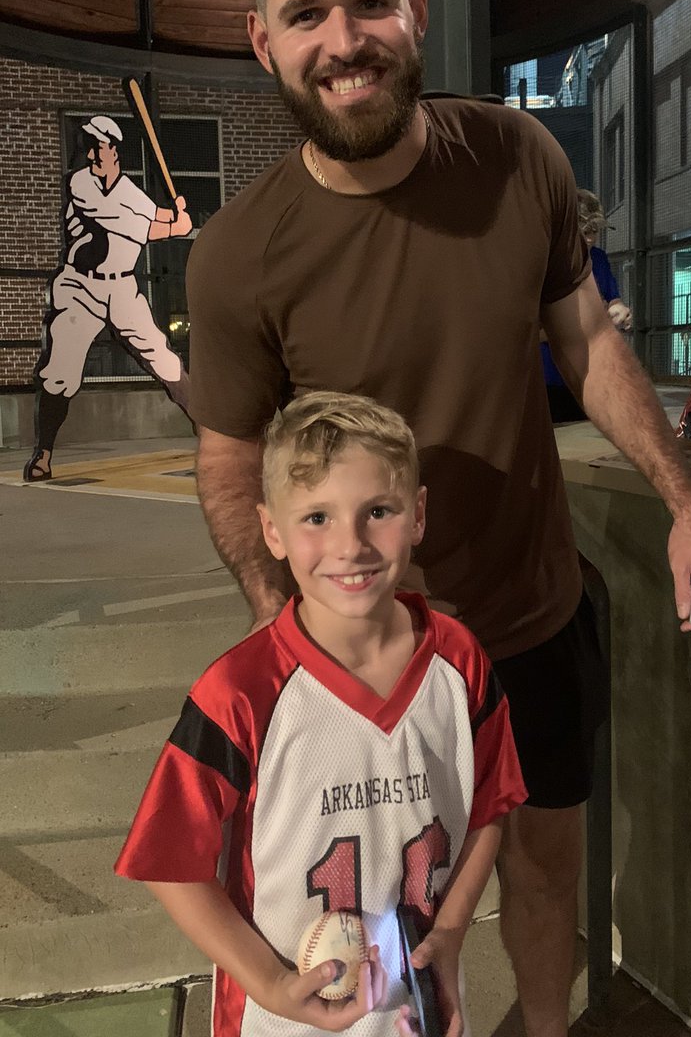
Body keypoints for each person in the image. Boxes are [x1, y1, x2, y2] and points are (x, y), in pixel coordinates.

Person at [185, 0, 691, 1037]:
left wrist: (687, 504)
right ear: (263, 42)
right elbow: (231, 461)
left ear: (417, 8)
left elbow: (587, 343)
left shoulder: (520, 160)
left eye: (369, 5)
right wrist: (283, 619)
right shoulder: (241, 256)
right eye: (308, 16)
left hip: (528, 621)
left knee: (543, 876)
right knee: (382, 907)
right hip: (368, 660)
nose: (347, 40)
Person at [116, 390, 526, 1037]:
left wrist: (449, 932)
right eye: (316, 518)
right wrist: (270, 981)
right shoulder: (241, 691)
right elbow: (169, 863)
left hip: (414, 1005)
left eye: (378, 511)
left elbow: (488, 810)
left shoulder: (460, 663)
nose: (350, 544)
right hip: (282, 1020)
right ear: (272, 531)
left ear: (417, 515)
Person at [23, 116, 192, 482]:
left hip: (122, 288)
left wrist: (175, 217)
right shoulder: (81, 183)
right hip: (81, 287)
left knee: (162, 357)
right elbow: (123, 221)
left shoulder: (129, 190)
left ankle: (210, 434)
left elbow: (146, 212)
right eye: (89, 146)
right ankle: (44, 453)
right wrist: (171, 228)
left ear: (114, 150)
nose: (92, 153)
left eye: (98, 145)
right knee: (60, 370)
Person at [542, 188, 632, 420]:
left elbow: (612, 298)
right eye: (585, 231)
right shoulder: (547, 263)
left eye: (595, 231)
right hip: (547, 378)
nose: (591, 238)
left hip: (588, 378)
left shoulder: (598, 259)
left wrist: (618, 310)